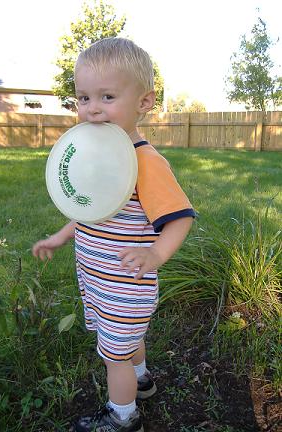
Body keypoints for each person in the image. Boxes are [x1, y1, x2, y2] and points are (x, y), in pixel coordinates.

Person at [32, 37, 196, 432]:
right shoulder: (95, 153)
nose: (91, 109)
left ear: (144, 102)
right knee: (125, 342)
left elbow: (180, 218)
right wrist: (60, 236)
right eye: (83, 98)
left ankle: (123, 418)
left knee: (114, 357)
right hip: (99, 277)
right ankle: (141, 380)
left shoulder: (144, 162)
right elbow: (91, 210)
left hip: (126, 283)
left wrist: (155, 256)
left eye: (106, 96)